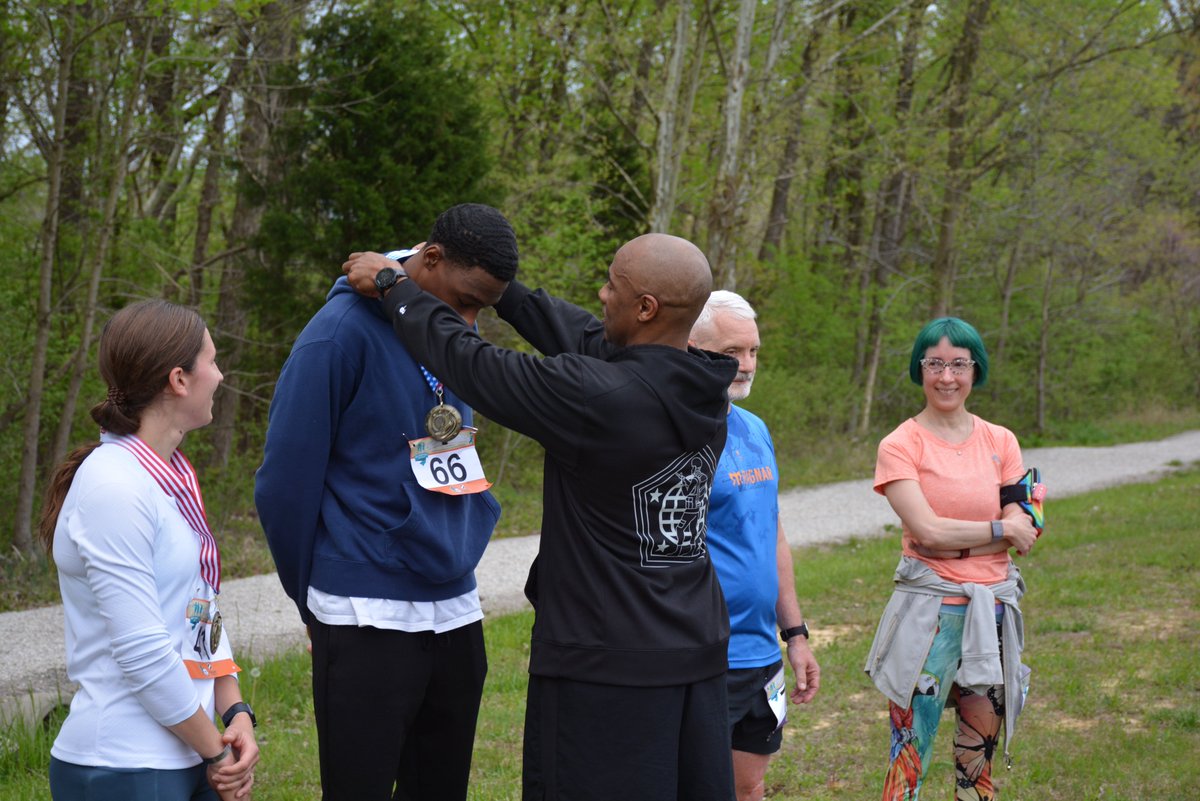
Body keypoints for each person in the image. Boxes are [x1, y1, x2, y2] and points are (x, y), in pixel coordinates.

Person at [343, 232, 740, 801]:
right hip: (693, 648)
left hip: (603, 664)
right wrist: (501, 292)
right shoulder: (702, 385)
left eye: (614, 286)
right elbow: (586, 336)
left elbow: (474, 364)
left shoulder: (596, 396)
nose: (602, 294)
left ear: (646, 308)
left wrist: (394, 287)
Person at [254, 203, 518, 801]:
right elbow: (283, 484)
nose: (472, 320)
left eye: (485, 308)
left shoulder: (448, 329)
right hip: (363, 612)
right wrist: (312, 601)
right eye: (467, 299)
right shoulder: (337, 334)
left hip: (454, 608)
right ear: (428, 259)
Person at [38, 299, 258, 801]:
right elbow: (142, 653)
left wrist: (235, 711)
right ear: (178, 379)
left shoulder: (171, 476)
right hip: (125, 764)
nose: (220, 377)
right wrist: (217, 753)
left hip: (189, 750)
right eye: (212, 361)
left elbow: (196, 607)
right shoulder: (114, 486)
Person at [864, 317, 1039, 801]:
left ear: (975, 370)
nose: (946, 376)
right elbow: (926, 531)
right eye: (935, 363)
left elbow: (1029, 527)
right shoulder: (900, 445)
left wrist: (962, 540)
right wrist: (998, 532)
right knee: (908, 759)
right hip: (929, 621)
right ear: (919, 369)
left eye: (959, 364)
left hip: (993, 617)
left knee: (976, 764)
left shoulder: (1001, 441)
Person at [688, 291, 821, 801]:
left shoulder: (755, 428)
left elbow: (773, 533)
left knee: (751, 787)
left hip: (761, 655)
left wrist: (796, 634)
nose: (745, 365)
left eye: (753, 351)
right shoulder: (677, 434)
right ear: (689, 349)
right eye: (730, 352)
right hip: (704, 656)